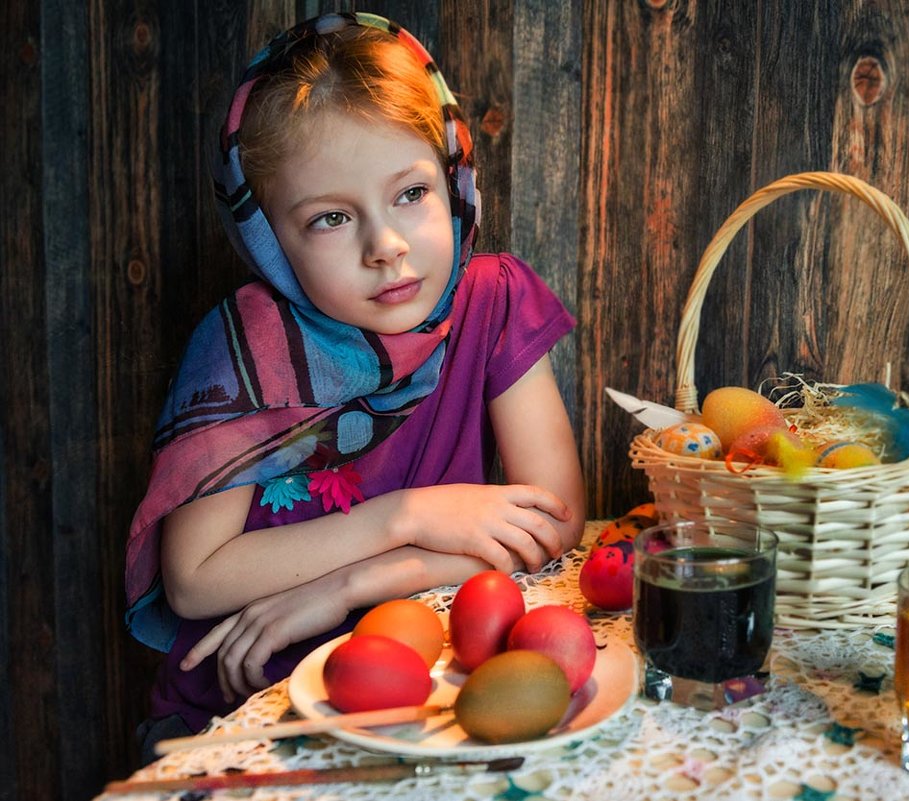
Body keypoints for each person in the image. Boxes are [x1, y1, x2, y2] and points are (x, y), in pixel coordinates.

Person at [124, 11, 584, 756]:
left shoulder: (492, 302)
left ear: (452, 175)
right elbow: (194, 580)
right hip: (248, 706)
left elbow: (550, 524)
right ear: (268, 237)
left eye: (411, 193)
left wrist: (341, 588)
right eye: (332, 217)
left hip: (430, 698)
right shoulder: (245, 345)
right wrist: (407, 515)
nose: (386, 246)